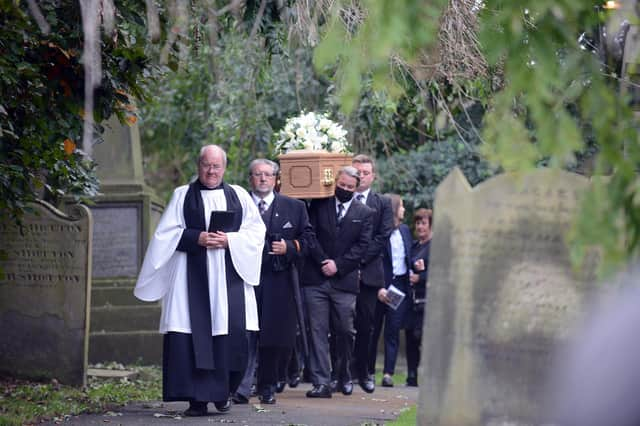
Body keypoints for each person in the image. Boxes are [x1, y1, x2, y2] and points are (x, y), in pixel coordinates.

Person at [134, 145, 266, 416]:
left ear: (224, 168)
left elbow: (256, 233)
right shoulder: (182, 195)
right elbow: (164, 235)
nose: (211, 171)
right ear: (198, 166)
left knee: (231, 336)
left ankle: (223, 394)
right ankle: (196, 399)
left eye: (217, 166)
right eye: (207, 165)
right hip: (190, 278)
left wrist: (230, 239)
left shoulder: (239, 195)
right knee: (191, 336)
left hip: (228, 280)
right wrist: (196, 238)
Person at [301, 166, 374, 398]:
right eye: (341, 185)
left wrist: (338, 265)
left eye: (349, 187)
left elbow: (362, 247)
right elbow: (309, 235)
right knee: (317, 331)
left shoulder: (365, 213)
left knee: (345, 330)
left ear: (356, 188)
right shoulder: (319, 204)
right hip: (316, 278)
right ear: (336, 183)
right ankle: (321, 382)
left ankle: (343, 372)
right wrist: (324, 261)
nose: (344, 189)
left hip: (344, 282)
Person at [247, 158, 314, 405]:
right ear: (250, 179)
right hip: (246, 279)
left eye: (268, 174)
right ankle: (239, 387)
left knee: (274, 338)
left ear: (276, 179)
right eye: (258, 174)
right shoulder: (240, 203)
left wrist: (289, 246)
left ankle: (267, 386)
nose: (263, 178)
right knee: (242, 335)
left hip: (279, 280)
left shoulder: (294, 206)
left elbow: (309, 241)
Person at [349, 154, 393, 394]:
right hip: (343, 272)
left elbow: (382, 236)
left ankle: (365, 372)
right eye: (357, 172)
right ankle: (342, 372)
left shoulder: (383, 203)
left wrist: (357, 262)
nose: (361, 176)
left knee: (367, 325)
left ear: (373, 175)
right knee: (341, 325)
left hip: (369, 273)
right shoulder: (341, 199)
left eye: (365, 172)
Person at [376, 194, 413, 387]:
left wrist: (416, 269)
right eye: (402, 206)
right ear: (394, 208)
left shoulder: (405, 231)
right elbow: (375, 260)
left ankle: (388, 373)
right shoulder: (381, 231)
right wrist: (379, 286)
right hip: (381, 286)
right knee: (373, 329)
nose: (404, 210)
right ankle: (363, 370)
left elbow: (409, 256)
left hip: (399, 287)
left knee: (393, 329)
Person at [405, 208, 432, 386]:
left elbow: (442, 272)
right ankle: (412, 375)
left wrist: (421, 276)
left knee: (423, 338)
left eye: (423, 223)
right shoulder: (414, 246)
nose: (420, 227)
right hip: (411, 300)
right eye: (417, 223)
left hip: (428, 301)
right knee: (410, 338)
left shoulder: (436, 247)